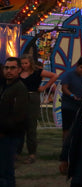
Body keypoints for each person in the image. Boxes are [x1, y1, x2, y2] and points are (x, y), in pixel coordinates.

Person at [18, 54, 57, 163]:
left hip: (32, 97)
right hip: (20, 98)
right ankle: (17, 152)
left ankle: (32, 153)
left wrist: (44, 87)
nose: (24, 65)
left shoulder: (37, 72)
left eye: (26, 63)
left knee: (31, 126)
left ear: (30, 63)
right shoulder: (19, 73)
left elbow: (54, 76)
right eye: (22, 63)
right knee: (19, 125)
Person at [0, 57, 28, 185]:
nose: (9, 71)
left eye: (12, 68)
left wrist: (3, 131)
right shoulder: (4, 86)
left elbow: (18, 116)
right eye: (6, 68)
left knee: (6, 171)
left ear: (19, 70)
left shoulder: (19, 88)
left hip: (9, 136)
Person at [60, 57, 82, 140]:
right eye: (81, 67)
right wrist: (72, 95)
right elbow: (64, 88)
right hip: (68, 105)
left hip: (81, 106)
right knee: (67, 128)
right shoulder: (69, 75)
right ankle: (65, 147)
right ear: (77, 66)